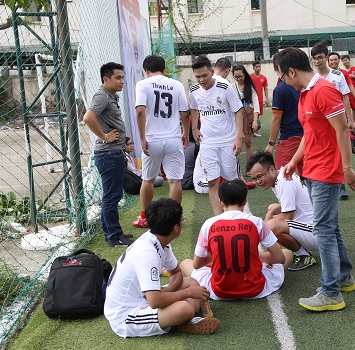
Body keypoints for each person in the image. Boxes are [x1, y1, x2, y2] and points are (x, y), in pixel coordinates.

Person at [277, 47, 355, 311]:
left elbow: (342, 129)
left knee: (323, 229)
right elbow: (309, 134)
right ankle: (344, 276)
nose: (281, 81)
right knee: (330, 227)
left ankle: (331, 292)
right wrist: (294, 161)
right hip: (312, 170)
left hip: (327, 171)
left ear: (291, 71)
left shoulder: (324, 90)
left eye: (281, 76)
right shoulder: (305, 93)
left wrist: (347, 167)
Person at [104, 198, 221, 337]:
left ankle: (179, 321)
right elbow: (155, 301)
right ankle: (183, 321)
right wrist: (187, 294)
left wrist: (170, 291)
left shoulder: (159, 239)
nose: (183, 221)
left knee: (191, 282)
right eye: (182, 219)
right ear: (176, 227)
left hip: (145, 297)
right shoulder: (147, 253)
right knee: (185, 308)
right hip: (126, 315)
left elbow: (176, 272)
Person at [180, 179, 293, 300]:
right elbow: (280, 258)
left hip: (219, 291)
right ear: (245, 201)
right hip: (256, 289)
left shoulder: (208, 224)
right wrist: (254, 256)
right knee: (287, 253)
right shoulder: (257, 222)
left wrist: (219, 254)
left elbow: (197, 265)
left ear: (220, 202)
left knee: (185, 263)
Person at [132, 55, 190, 228]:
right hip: (173, 138)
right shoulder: (176, 84)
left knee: (148, 180)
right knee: (175, 181)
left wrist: (142, 137)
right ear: (164, 69)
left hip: (153, 140)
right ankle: (175, 219)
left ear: (146, 70)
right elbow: (185, 113)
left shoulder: (142, 84)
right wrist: (185, 133)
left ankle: (145, 217)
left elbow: (140, 111)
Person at [82, 62, 134, 246]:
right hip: (108, 154)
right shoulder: (102, 96)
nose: (122, 81)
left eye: (122, 77)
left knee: (112, 195)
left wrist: (122, 141)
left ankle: (113, 232)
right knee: (112, 196)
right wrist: (105, 137)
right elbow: (88, 118)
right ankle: (113, 236)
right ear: (106, 79)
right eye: (118, 78)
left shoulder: (111, 96)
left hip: (114, 152)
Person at [189, 55, 245, 215]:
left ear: (212, 71)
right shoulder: (194, 90)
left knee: (231, 180)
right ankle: (219, 218)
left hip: (228, 141)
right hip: (207, 143)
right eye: (197, 76)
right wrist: (194, 128)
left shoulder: (225, 86)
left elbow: (238, 110)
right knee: (212, 181)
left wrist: (239, 136)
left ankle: (237, 215)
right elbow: (193, 108)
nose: (201, 79)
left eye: (204, 75)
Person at [246, 151, 318, 271]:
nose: (258, 182)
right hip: (311, 229)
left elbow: (288, 216)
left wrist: (264, 227)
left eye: (260, 176)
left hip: (317, 233)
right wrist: (270, 214)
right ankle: (301, 252)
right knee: (272, 209)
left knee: (271, 226)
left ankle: (304, 255)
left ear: (272, 169)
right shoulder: (280, 177)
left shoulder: (283, 180)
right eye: (254, 178)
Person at [311, 42, 355, 200]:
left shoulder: (337, 75)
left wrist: (348, 119)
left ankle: (341, 185)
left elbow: (345, 97)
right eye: (314, 58)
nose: (317, 61)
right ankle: (324, 182)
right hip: (320, 121)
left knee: (339, 150)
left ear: (326, 58)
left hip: (336, 118)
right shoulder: (312, 77)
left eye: (320, 58)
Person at [265, 53, 303, 176]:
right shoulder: (301, 84)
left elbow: (276, 119)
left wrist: (271, 143)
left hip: (290, 138)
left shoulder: (280, 89)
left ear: (275, 68)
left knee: (282, 175)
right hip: (306, 137)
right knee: (307, 176)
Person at [232, 65, 260, 161]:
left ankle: (249, 166)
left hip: (249, 115)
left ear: (245, 75)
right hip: (236, 116)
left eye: (241, 76)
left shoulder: (250, 87)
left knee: (248, 142)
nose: (238, 79)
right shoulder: (231, 87)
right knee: (236, 142)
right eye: (236, 77)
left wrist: (255, 121)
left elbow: (256, 104)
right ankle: (234, 168)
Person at [341, 55, 355, 128]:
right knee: (344, 109)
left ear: (349, 60)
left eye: (346, 60)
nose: (345, 62)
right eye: (343, 61)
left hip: (354, 92)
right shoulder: (342, 71)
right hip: (344, 93)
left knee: (354, 108)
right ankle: (346, 122)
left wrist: (353, 76)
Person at [250, 61, 269, 137]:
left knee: (257, 115)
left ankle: (255, 130)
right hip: (251, 99)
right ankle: (251, 130)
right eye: (256, 67)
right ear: (253, 68)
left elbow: (266, 88)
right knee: (251, 114)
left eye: (259, 66)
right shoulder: (250, 77)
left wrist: (267, 98)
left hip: (260, 99)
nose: (258, 68)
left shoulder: (263, 78)